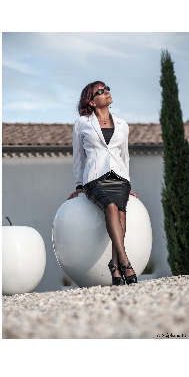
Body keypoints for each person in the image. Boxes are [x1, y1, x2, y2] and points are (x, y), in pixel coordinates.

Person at [67, 81, 139, 285]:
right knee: (111, 207)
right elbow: (78, 157)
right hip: (95, 178)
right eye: (101, 91)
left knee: (121, 212)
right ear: (91, 101)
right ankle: (125, 262)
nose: (106, 92)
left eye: (107, 88)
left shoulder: (122, 124)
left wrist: (128, 183)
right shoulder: (82, 123)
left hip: (120, 178)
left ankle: (115, 266)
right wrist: (79, 186)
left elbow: (125, 156)